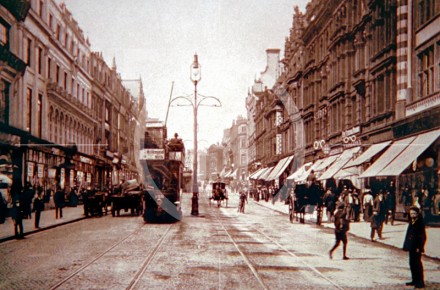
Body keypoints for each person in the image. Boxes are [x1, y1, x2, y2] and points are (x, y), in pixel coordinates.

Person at [403, 206, 426, 289]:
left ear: (417, 214)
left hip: (416, 247)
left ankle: (420, 282)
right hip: (411, 246)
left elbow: (423, 236)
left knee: (417, 264)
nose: (412, 215)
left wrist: (419, 247)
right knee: (412, 263)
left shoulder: (420, 223)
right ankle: (414, 280)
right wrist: (406, 245)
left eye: (414, 213)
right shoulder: (412, 221)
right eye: (411, 213)